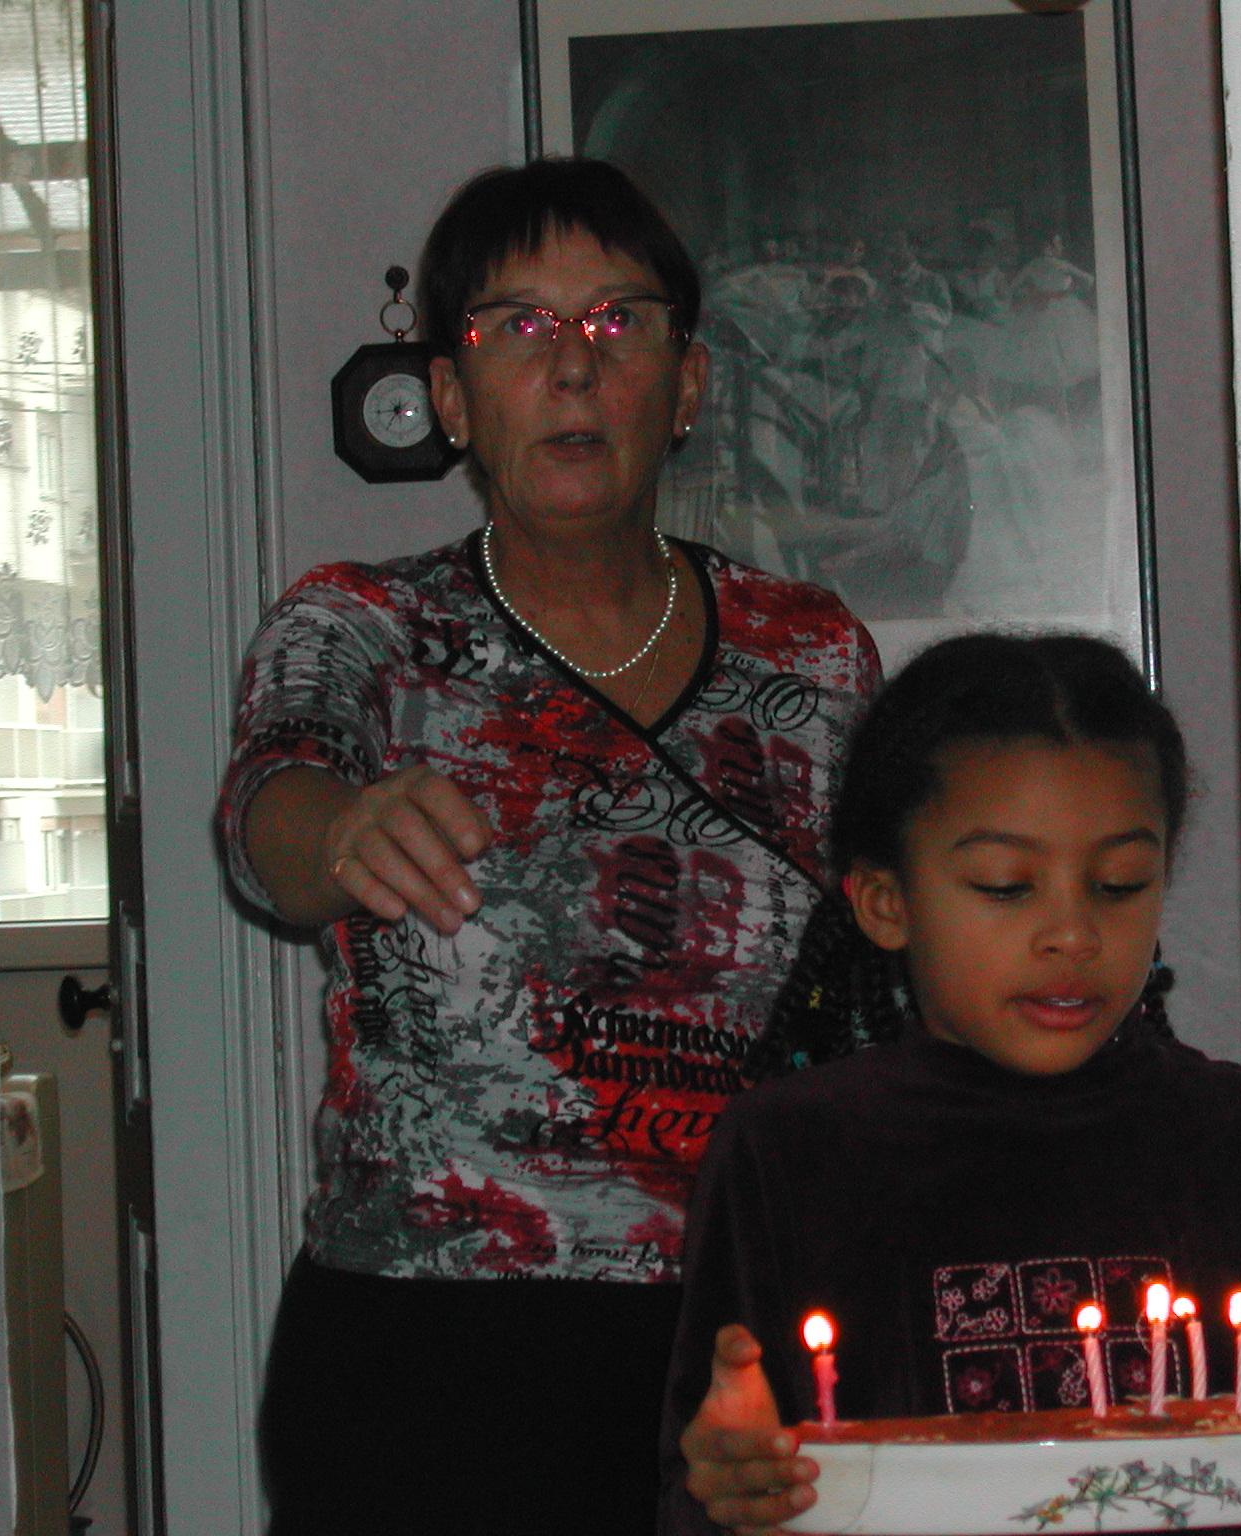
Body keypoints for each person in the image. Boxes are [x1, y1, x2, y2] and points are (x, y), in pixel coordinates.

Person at [217, 157, 879, 1535]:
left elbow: (887, 960)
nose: (573, 367)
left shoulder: (811, 653)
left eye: (618, 321)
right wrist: (342, 827)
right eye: (518, 325)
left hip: (740, 1336)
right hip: (424, 1356)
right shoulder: (363, 627)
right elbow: (268, 808)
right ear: (452, 396)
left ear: (687, 384)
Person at [662, 633, 1241, 1535]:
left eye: (1119, 884)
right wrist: (735, 1492)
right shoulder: (789, 1150)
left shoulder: (1240, 1138)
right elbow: (714, 1487)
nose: (1073, 933)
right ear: (886, 902)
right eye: (1006, 885)